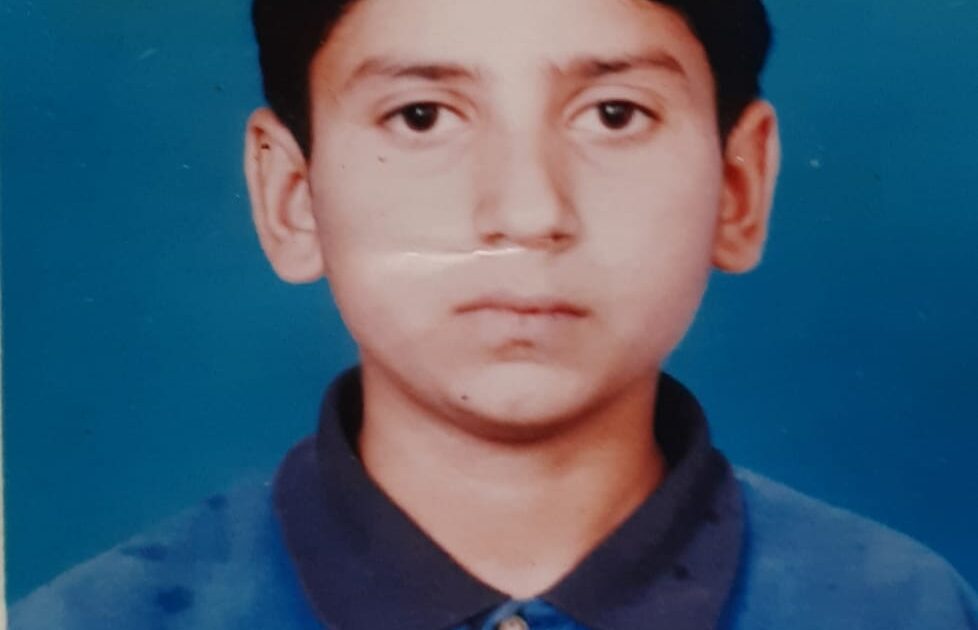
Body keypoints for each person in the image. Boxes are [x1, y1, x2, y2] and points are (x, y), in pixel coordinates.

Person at [10, 0, 978, 628]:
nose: (526, 212)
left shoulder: (903, 609)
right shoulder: (93, 620)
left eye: (614, 114)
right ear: (292, 197)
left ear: (740, 184)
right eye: (421, 117)